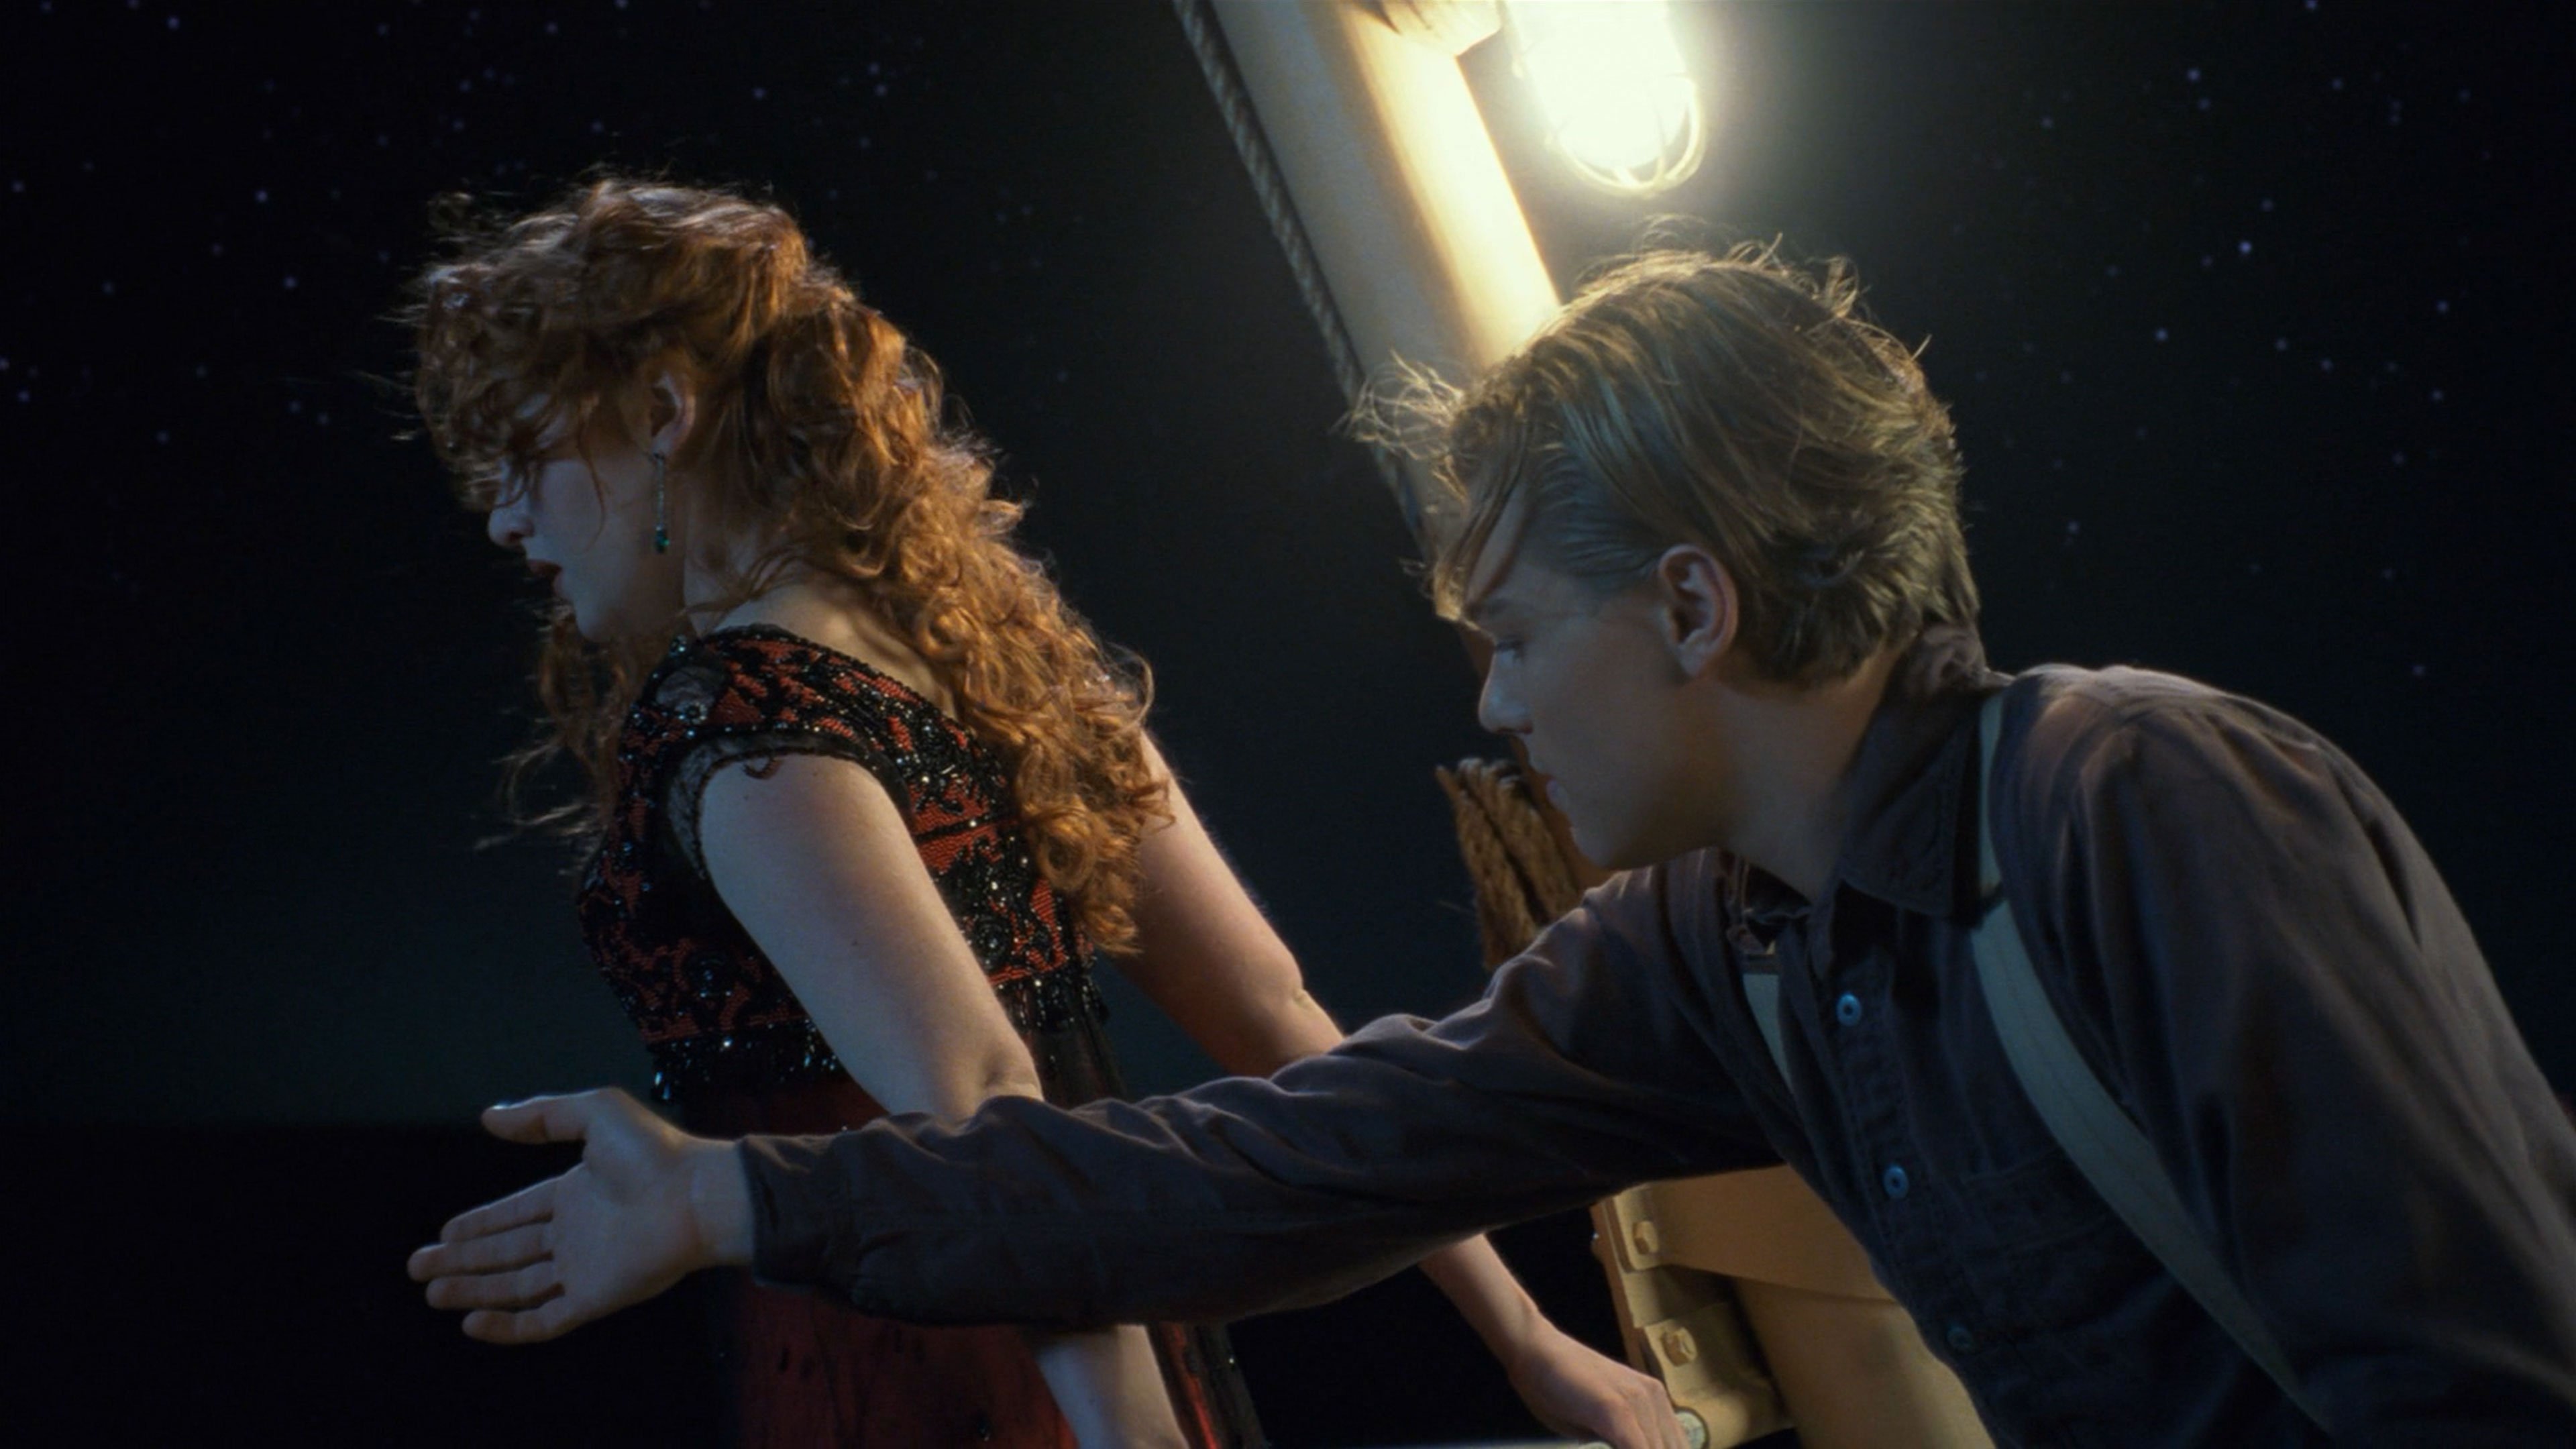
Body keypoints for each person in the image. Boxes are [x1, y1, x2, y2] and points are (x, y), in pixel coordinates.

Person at [410, 245, 2576, 1444]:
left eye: (1519, 634)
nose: (1495, 709)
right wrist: (734, 1200)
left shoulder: (2144, 802)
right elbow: (1261, 1170)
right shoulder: (1711, 950)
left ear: (1694, 605)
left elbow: (2470, 1383)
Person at [404, 177, 1681, 1449]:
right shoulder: (1000, 658)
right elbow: (1277, 1018)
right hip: (1114, 1362)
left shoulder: (735, 719)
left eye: (526, 455)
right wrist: (1529, 1342)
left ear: (663, 412)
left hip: (922, 1389)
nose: (505, 517)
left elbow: (980, 1114)